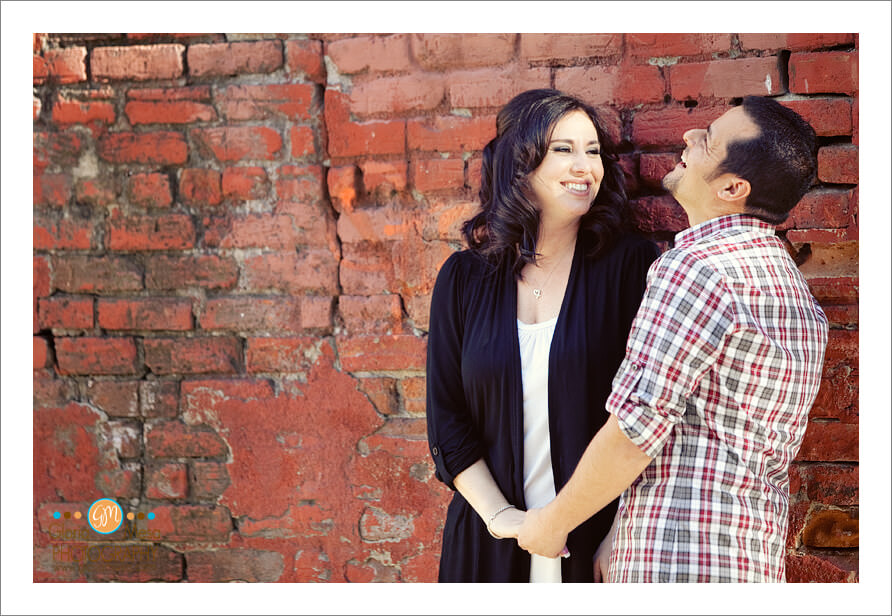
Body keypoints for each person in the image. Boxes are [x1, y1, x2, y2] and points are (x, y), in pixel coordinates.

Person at [516, 96, 829, 583]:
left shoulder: (696, 269)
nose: (688, 137)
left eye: (708, 139)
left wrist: (552, 524)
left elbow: (635, 430)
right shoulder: (799, 299)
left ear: (732, 186)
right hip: (751, 561)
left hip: (677, 561)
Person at [425, 89, 660, 582]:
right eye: (564, 149)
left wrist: (621, 532)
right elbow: (447, 421)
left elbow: (651, 418)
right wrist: (501, 519)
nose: (585, 167)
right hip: (486, 548)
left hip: (595, 546)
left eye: (592, 151)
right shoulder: (463, 279)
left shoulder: (630, 268)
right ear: (520, 162)